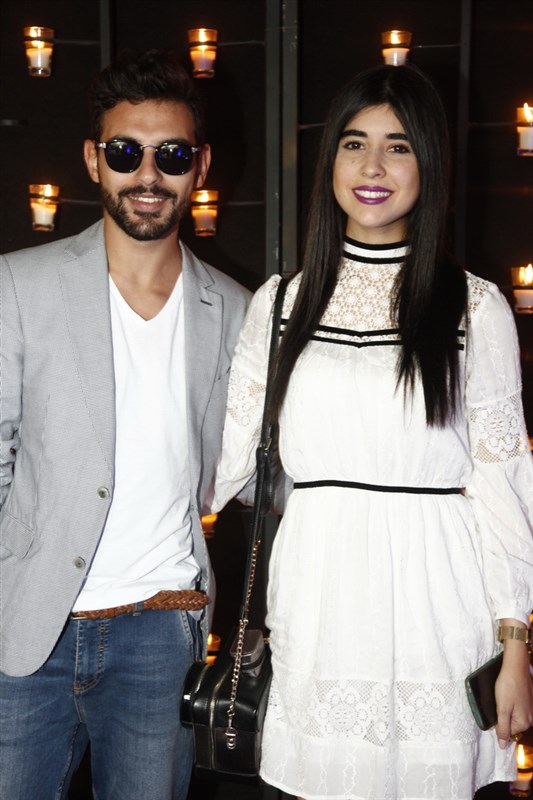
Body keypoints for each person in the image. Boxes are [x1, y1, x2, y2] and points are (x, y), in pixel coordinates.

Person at [212, 64, 533, 800]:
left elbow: (503, 486)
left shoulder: (474, 306)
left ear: (429, 162)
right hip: (319, 592)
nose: (372, 167)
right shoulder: (281, 304)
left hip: (438, 598)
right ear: (330, 160)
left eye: (398, 146)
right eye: (354, 144)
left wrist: (516, 647)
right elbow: (223, 464)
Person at [0, 49, 251, 799]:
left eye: (170, 154)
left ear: (199, 166)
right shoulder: (19, 285)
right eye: (124, 153)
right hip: (27, 631)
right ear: (93, 160)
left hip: (159, 635)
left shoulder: (236, 310)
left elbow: (251, 473)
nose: (147, 174)